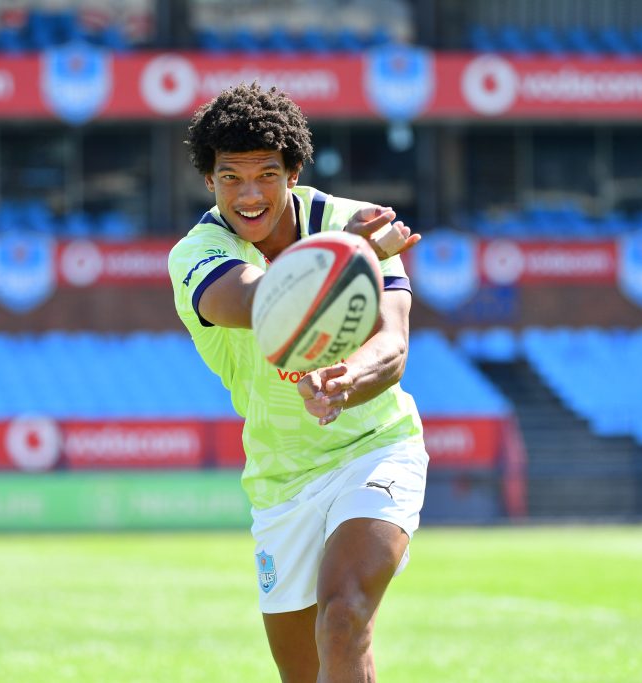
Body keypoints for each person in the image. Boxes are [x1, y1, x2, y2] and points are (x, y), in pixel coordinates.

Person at [168, 82, 428, 683]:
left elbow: (391, 349)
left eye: (266, 174)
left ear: (293, 172)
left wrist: (345, 382)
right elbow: (257, 301)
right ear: (209, 182)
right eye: (230, 177)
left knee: (344, 617)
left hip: (375, 448)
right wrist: (353, 249)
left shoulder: (348, 219)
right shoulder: (198, 252)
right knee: (304, 674)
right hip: (282, 479)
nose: (250, 194)